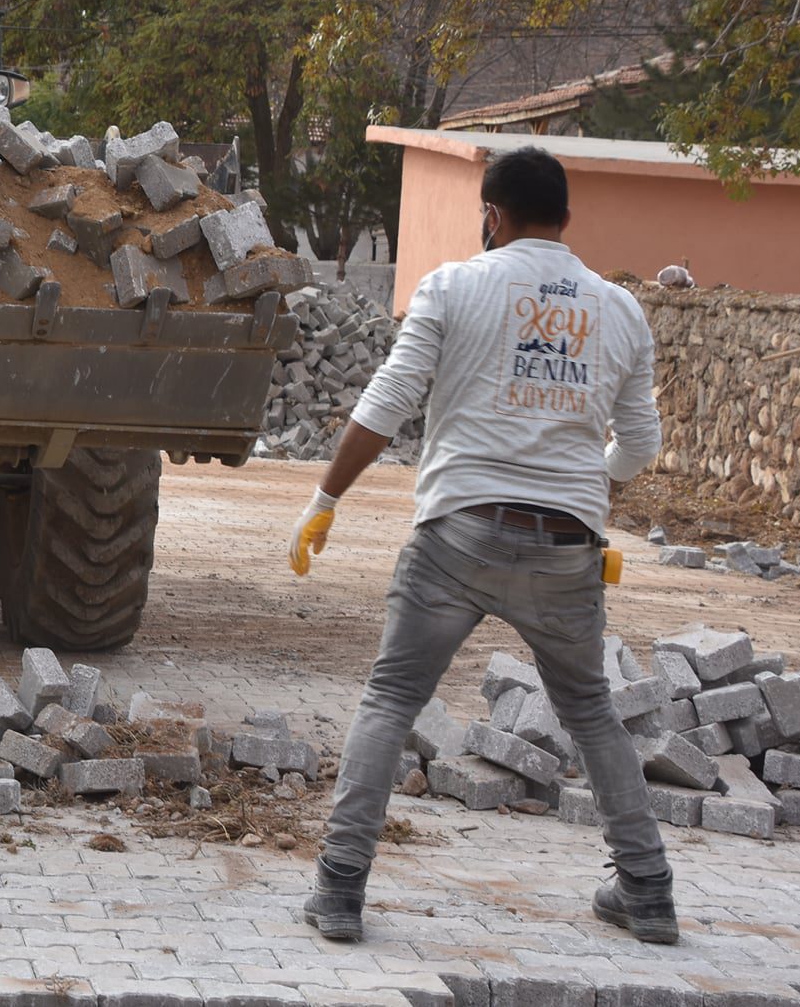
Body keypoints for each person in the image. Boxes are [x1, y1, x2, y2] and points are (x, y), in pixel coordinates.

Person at [287, 147, 675, 944]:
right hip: (568, 546)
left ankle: (340, 891)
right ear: (565, 218)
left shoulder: (454, 285)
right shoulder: (620, 311)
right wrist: (586, 483)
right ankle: (648, 892)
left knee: (393, 697)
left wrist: (326, 498)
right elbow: (639, 442)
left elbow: (389, 399)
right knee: (592, 711)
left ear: (492, 215)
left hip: (457, 535)